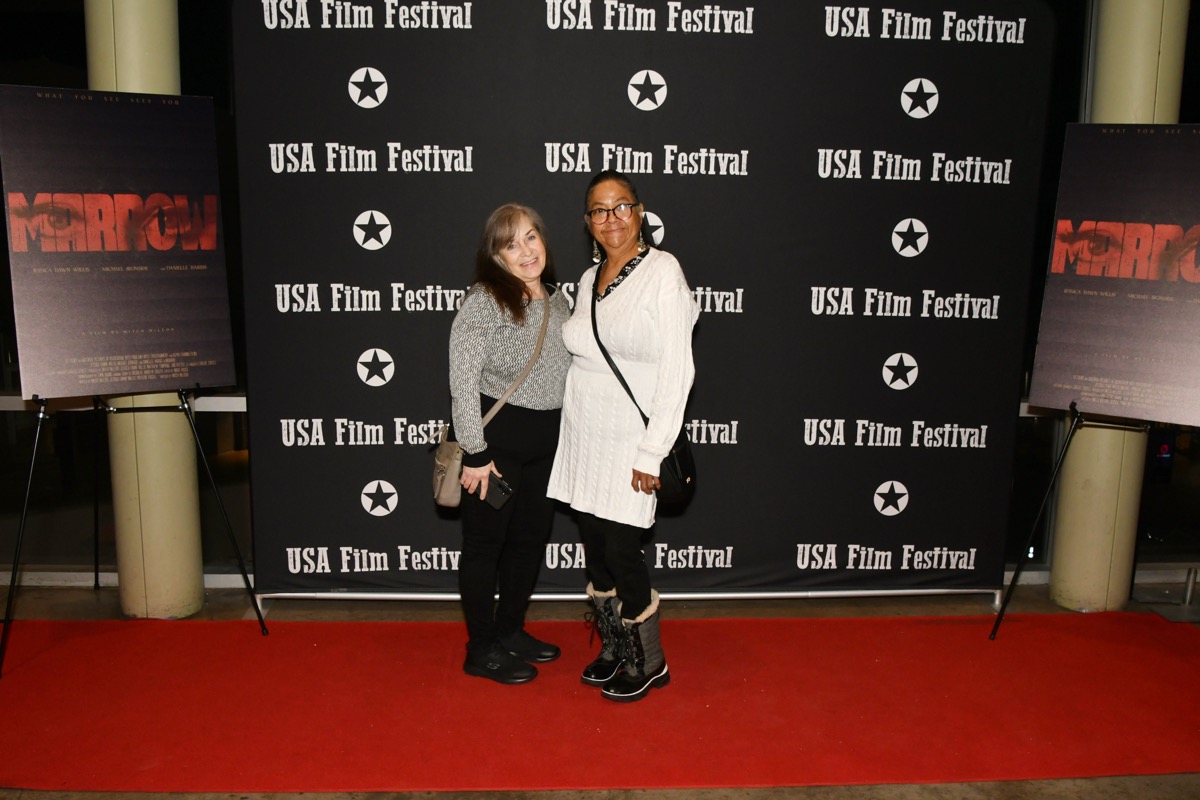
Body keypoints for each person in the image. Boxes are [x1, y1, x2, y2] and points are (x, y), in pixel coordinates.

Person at [547, 170, 699, 702]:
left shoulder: (663, 273)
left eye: (620, 207)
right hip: (584, 435)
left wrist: (652, 451)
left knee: (622, 550)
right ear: (587, 221)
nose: (610, 219)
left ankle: (648, 658)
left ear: (639, 212)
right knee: (595, 550)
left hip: (632, 439)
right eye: (598, 210)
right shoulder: (588, 280)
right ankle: (615, 645)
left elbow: (678, 372)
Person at [449, 203, 572, 684]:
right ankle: (481, 649)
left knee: (528, 542)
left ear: (544, 240)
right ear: (495, 254)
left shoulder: (560, 301)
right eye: (511, 243)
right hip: (495, 453)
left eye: (531, 238)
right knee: (485, 546)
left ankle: (511, 630)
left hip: (546, 451)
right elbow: (463, 381)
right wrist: (476, 454)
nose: (525, 251)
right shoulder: (485, 300)